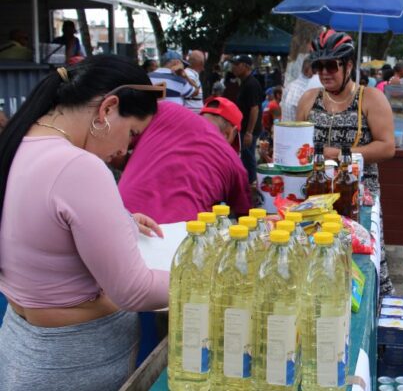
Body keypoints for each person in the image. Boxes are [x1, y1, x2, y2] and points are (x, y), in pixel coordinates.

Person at [0, 56, 169, 389]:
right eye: (131, 134)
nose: (124, 150)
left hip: (23, 347)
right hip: (73, 362)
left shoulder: (18, 143)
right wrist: (206, 274)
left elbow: (39, 228)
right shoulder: (77, 166)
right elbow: (132, 290)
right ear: (107, 109)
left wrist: (118, 220)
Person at [296, 29, 395, 296]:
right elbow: (297, 144)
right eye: (319, 66)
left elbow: (387, 147)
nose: (324, 72)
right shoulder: (309, 99)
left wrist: (336, 154)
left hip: (358, 193)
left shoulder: (370, 98)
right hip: (315, 193)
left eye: (331, 65)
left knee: (359, 262)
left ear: (349, 65)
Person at [118, 100, 250, 224]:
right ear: (229, 133)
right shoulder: (232, 159)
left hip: (122, 216)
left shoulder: (165, 110)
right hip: (181, 237)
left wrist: (139, 165)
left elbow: (115, 149)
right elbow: (246, 219)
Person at [231, 54, 262, 186]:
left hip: (249, 130)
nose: (234, 68)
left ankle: (252, 186)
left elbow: (254, 109)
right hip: (243, 128)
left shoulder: (251, 84)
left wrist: (249, 132)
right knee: (245, 157)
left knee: (249, 159)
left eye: (237, 65)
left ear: (245, 66)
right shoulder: (245, 82)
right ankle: (248, 185)